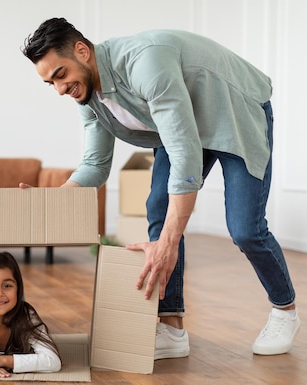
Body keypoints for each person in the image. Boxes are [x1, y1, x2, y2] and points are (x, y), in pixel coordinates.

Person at [22, 18, 300, 359]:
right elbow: (95, 164)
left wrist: (168, 243)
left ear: (82, 51)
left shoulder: (144, 61)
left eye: (61, 75)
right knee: (157, 207)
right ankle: (171, 328)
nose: (60, 89)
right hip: (182, 125)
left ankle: (284, 310)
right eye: (50, 82)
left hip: (233, 111)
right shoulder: (89, 98)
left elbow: (184, 155)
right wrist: (58, 197)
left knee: (245, 229)